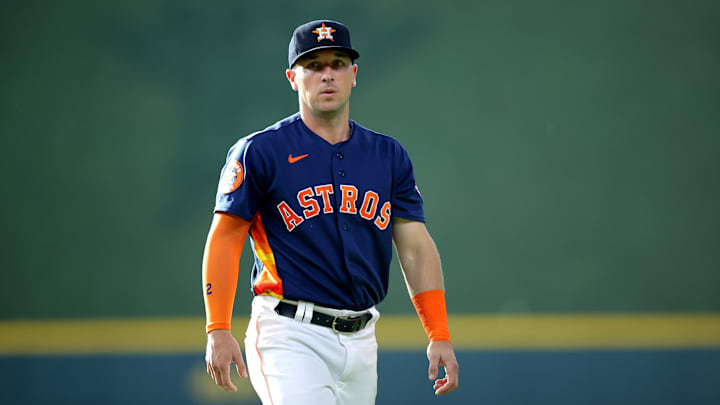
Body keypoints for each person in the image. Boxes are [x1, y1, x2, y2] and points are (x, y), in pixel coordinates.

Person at [202, 19, 459, 405]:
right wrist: (217, 328)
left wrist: (438, 333)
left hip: (362, 339)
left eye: (338, 63)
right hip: (289, 333)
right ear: (293, 77)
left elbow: (415, 248)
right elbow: (224, 239)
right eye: (314, 65)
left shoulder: (387, 155)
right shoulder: (260, 151)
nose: (327, 75)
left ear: (353, 74)